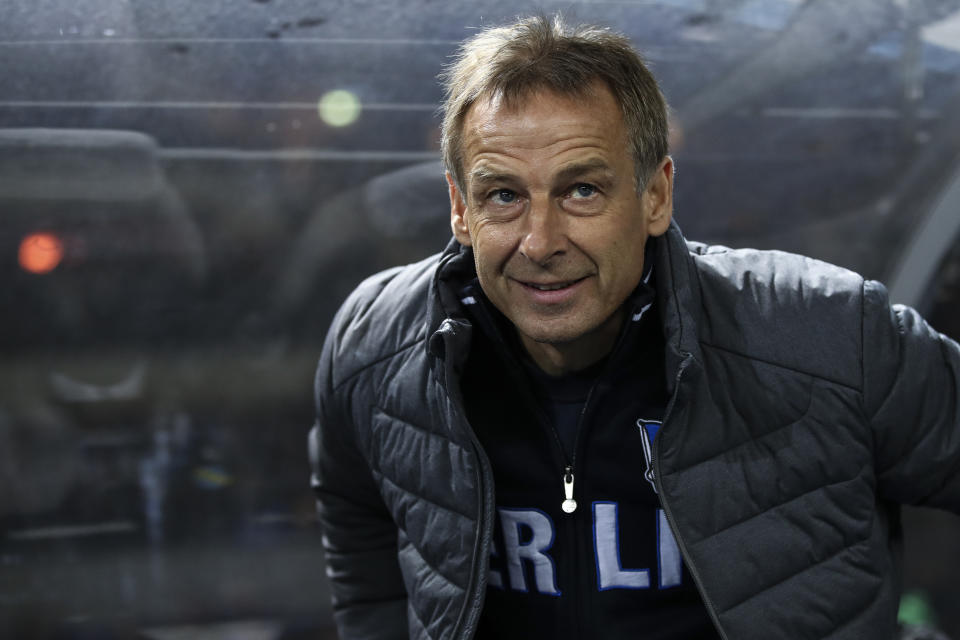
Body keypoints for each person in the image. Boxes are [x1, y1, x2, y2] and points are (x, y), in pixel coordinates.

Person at [309, 14, 960, 640]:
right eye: (503, 195)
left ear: (655, 195)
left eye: (582, 190)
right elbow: (360, 538)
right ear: (459, 208)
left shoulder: (825, 336)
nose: (540, 242)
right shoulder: (376, 347)